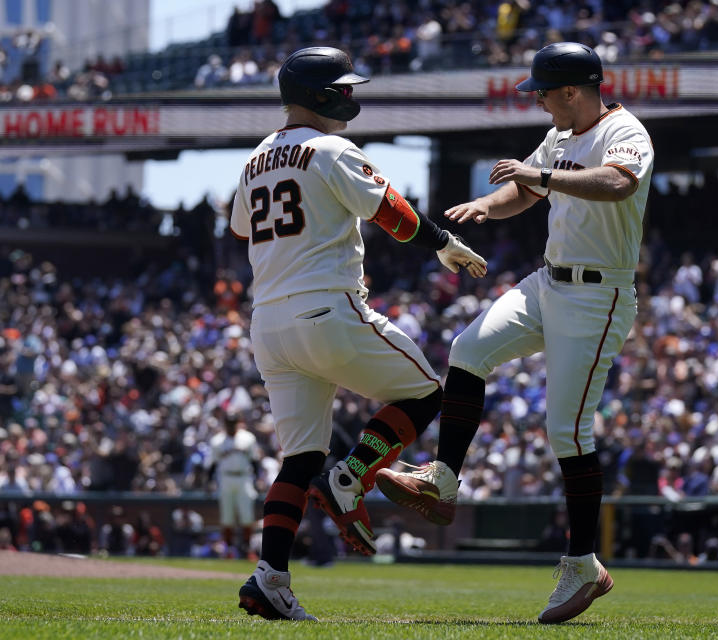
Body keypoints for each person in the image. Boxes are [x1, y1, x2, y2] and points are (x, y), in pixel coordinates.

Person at [377, 41, 653, 624]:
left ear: (573, 91)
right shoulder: (558, 137)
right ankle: (444, 479)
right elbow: (524, 191)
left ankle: (583, 564)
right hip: (548, 281)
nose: (540, 101)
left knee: (567, 432)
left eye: (545, 92)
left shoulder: (626, 130)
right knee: (467, 350)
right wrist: (488, 202)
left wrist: (542, 176)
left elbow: (618, 183)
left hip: (598, 294)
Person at [231, 46, 487, 622]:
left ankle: (270, 578)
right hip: (326, 309)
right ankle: (350, 477)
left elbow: (240, 224)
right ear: (320, 94)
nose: (349, 96)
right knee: (426, 393)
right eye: (341, 87)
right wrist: (444, 243)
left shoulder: (254, 159)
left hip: (268, 322)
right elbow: (392, 212)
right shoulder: (331, 147)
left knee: (298, 460)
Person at [208, 413, 262, 557]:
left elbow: (255, 461)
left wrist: (257, 479)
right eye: (228, 423)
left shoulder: (248, 438)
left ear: (238, 422)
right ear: (224, 424)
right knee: (227, 517)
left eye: (233, 422)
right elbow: (212, 465)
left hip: (244, 477)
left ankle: (247, 548)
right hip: (225, 478)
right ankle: (229, 550)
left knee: (247, 516)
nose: (231, 425)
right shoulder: (217, 441)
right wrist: (209, 482)